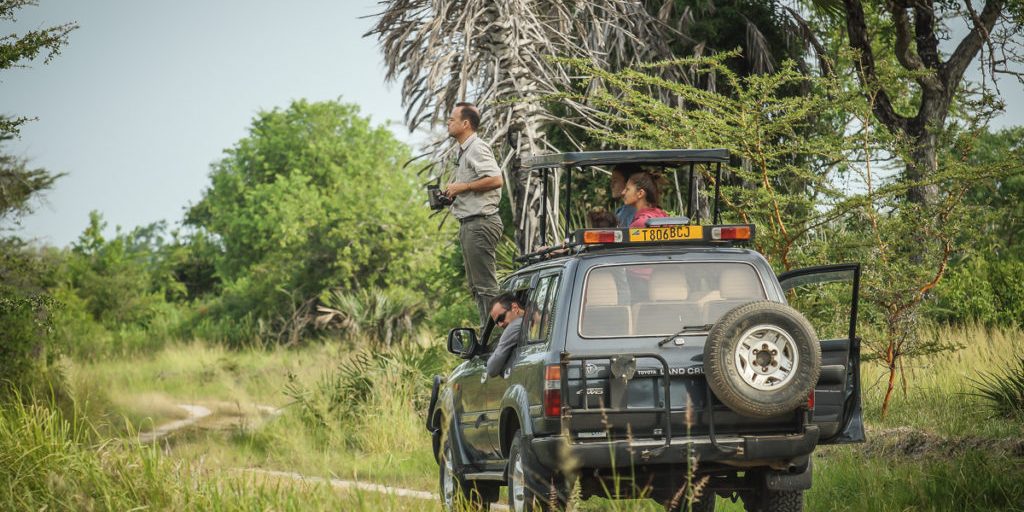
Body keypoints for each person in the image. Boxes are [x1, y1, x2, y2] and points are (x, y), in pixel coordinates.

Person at [445, 102, 504, 328]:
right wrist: (453, 193)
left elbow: (496, 179)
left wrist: (464, 187)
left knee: (486, 287)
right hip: (471, 224)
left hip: (481, 223)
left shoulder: (477, 147)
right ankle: (486, 335)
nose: (448, 123)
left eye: (452, 119)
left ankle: (496, 338)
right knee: (477, 287)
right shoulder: (464, 152)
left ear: (466, 123)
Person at [486, 292, 525, 378]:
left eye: (501, 318)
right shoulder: (531, 320)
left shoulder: (514, 326)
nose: (500, 324)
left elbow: (492, 369)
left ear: (515, 308)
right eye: (497, 322)